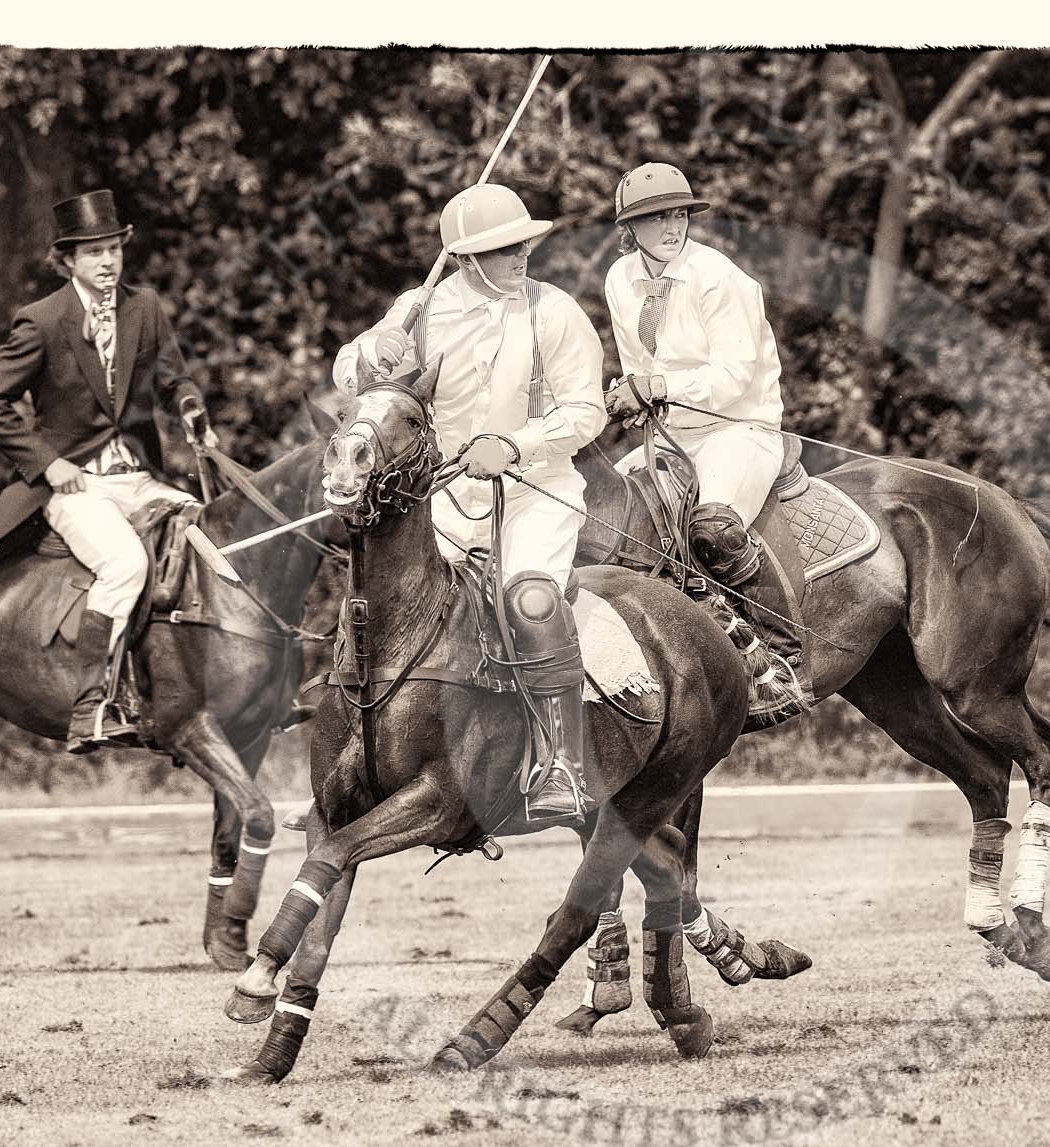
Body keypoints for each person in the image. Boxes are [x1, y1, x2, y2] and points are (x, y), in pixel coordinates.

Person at [331, 183, 607, 823]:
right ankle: (352, 759)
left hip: (537, 492)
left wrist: (514, 445)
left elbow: (586, 410)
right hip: (442, 495)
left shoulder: (552, 310)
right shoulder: (420, 307)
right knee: (376, 599)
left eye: (521, 243)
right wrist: (376, 353)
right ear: (463, 259)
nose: (521, 256)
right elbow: (348, 373)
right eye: (502, 248)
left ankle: (558, 761)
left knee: (529, 598)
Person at [0, 189, 216, 753]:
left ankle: (220, 689)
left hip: (141, 478)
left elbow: (174, 378)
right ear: (69, 261)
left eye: (114, 249)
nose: (108, 262)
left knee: (212, 543)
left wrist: (189, 407)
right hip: (75, 485)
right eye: (94, 253)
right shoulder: (42, 320)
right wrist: (47, 464)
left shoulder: (144, 308)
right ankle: (91, 706)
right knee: (126, 563)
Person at [603, 162, 812, 724]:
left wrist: (659, 386)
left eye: (679, 214)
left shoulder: (718, 276)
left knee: (713, 529)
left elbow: (733, 377)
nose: (672, 226)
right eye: (656, 217)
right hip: (672, 436)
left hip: (741, 427)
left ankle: (779, 654)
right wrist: (630, 394)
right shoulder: (620, 280)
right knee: (606, 521)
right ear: (631, 227)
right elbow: (637, 364)